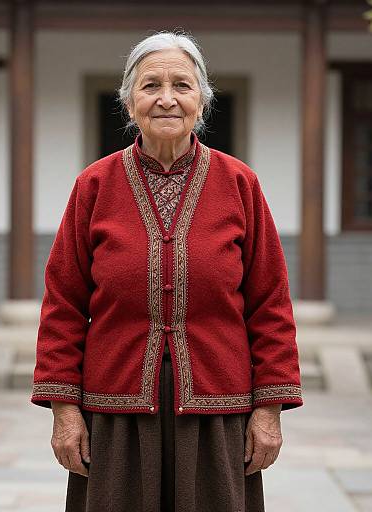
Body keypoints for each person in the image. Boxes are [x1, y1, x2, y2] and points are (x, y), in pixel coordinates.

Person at [31, 31, 303, 512]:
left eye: (182, 85)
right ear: (129, 102)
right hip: (114, 413)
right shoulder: (94, 185)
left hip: (218, 412)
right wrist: (64, 411)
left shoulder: (239, 184)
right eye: (150, 85)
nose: (166, 99)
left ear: (202, 100)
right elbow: (63, 305)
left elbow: (270, 304)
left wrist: (270, 409)